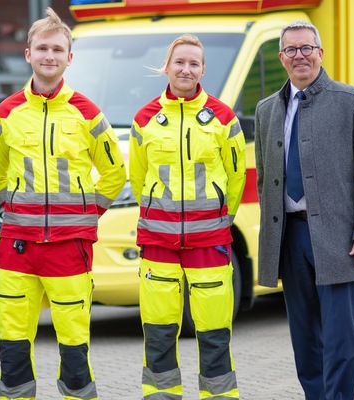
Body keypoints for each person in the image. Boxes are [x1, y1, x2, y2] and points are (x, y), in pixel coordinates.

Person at [0, 8, 126, 400]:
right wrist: (14, 206)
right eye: (42, 48)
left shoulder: (88, 113)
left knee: (74, 349)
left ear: (69, 57)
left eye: (57, 49)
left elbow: (115, 175)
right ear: (27, 54)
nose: (49, 55)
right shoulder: (6, 113)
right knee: (12, 347)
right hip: (17, 248)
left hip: (69, 247)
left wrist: (85, 213)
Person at [254, 21, 354, 399]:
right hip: (290, 238)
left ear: (320, 53)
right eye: (292, 50)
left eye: (307, 48)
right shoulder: (267, 110)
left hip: (339, 239)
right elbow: (266, 178)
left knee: (340, 335)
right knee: (304, 337)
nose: (300, 56)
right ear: (281, 58)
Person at [128, 33, 246, 399]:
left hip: (209, 240)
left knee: (213, 332)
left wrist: (220, 219)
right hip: (158, 242)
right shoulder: (145, 118)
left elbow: (236, 176)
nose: (186, 68)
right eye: (179, 61)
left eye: (194, 63)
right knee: (159, 331)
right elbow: (138, 175)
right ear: (167, 66)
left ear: (203, 69)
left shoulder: (224, 119)